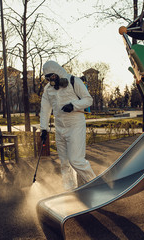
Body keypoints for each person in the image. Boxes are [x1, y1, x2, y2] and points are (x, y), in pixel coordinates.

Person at [39, 60, 96, 190]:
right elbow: (45, 110)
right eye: (48, 78)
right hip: (59, 128)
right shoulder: (48, 90)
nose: (51, 80)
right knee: (64, 163)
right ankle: (70, 189)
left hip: (75, 125)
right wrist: (44, 129)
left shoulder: (74, 81)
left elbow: (88, 100)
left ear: (58, 72)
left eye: (53, 76)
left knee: (76, 160)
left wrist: (74, 106)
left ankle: (95, 184)